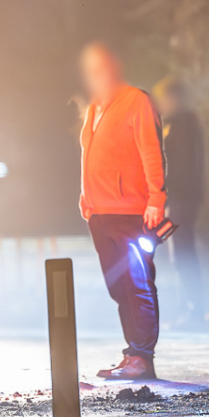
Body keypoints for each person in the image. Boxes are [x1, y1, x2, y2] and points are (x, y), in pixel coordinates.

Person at [77, 42, 167, 380]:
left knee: (137, 283)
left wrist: (156, 198)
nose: (95, 74)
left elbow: (151, 151)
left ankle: (142, 357)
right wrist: (85, 196)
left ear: (114, 67)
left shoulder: (136, 101)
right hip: (100, 214)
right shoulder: (94, 108)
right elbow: (89, 156)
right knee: (119, 288)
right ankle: (133, 352)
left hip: (132, 212)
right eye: (90, 68)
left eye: (100, 66)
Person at [150, 76, 204, 322]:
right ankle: (190, 308)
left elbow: (178, 166)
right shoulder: (184, 124)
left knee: (181, 252)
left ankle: (192, 309)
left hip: (180, 198)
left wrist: (165, 192)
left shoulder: (181, 126)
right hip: (183, 197)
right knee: (181, 251)